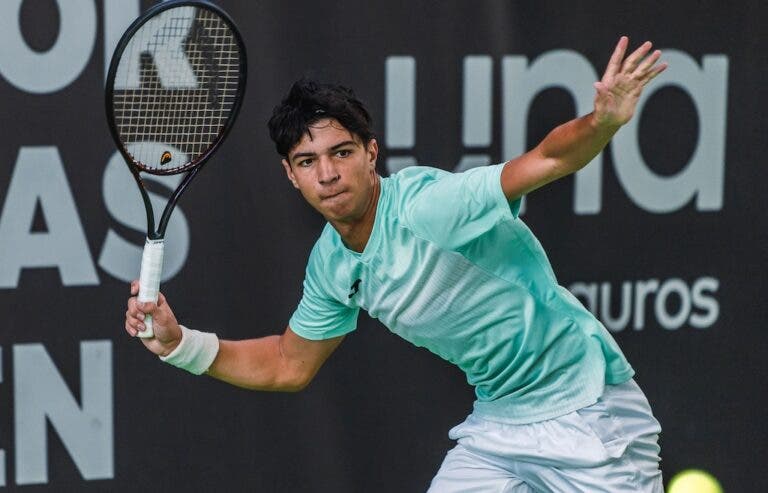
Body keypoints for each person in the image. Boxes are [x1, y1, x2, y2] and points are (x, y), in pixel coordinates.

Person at [125, 36, 668, 492]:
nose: (328, 174)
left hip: (589, 411)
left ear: (370, 153)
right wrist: (180, 345)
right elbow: (288, 364)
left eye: (341, 152)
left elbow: (545, 159)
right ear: (290, 175)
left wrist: (601, 121)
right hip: (500, 425)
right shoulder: (333, 267)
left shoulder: (430, 208)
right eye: (307, 162)